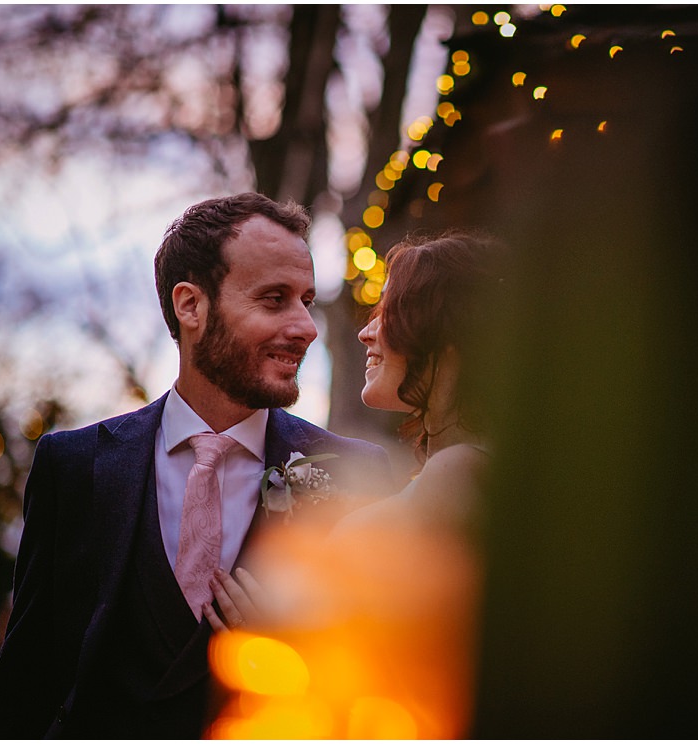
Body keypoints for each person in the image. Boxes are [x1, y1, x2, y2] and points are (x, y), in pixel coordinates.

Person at [0, 192, 395, 739]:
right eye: (274, 300)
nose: (305, 326)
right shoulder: (74, 468)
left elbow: (388, 696)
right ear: (190, 306)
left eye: (306, 301)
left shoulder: (355, 478)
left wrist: (302, 655)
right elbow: (23, 687)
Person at [205, 230, 506, 739]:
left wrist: (279, 630)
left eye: (387, 313)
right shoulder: (462, 468)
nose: (367, 334)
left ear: (443, 334)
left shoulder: (460, 475)